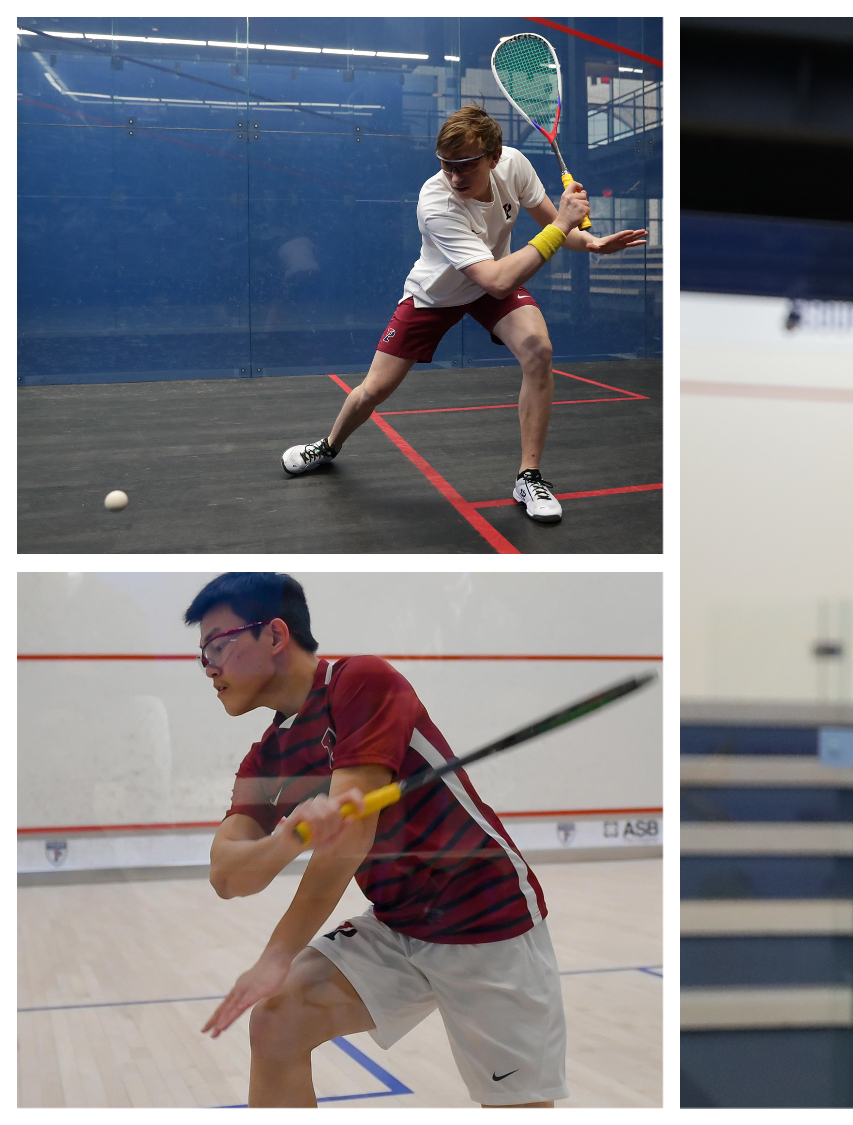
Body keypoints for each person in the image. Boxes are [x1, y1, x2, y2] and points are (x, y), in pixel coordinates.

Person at [190, 573, 565, 1107]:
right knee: (277, 1024)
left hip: (486, 916)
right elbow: (227, 875)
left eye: (219, 645)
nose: (209, 667)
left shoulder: (360, 681)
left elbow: (349, 839)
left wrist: (277, 955)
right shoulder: (266, 757)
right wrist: (289, 838)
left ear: (274, 636)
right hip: (400, 921)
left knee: (519, 1109)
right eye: (202, 652)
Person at [279, 104, 650, 524]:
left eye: (466, 167)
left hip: (495, 278)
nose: (455, 178)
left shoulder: (515, 165)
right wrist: (564, 225)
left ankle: (529, 476)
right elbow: (500, 276)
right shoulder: (436, 202)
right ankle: (328, 446)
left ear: (494, 157)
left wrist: (594, 244)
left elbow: (553, 223)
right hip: (438, 294)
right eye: (446, 166)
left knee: (538, 350)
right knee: (373, 390)